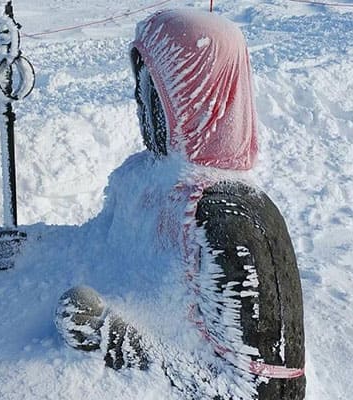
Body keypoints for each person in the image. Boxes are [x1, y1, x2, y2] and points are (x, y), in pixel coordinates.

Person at [55, 9, 305, 400]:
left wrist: (117, 337)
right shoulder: (142, 174)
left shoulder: (229, 218)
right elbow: (97, 245)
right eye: (139, 87)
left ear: (198, 100)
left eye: (155, 91)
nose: (139, 101)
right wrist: (32, 249)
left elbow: (263, 391)